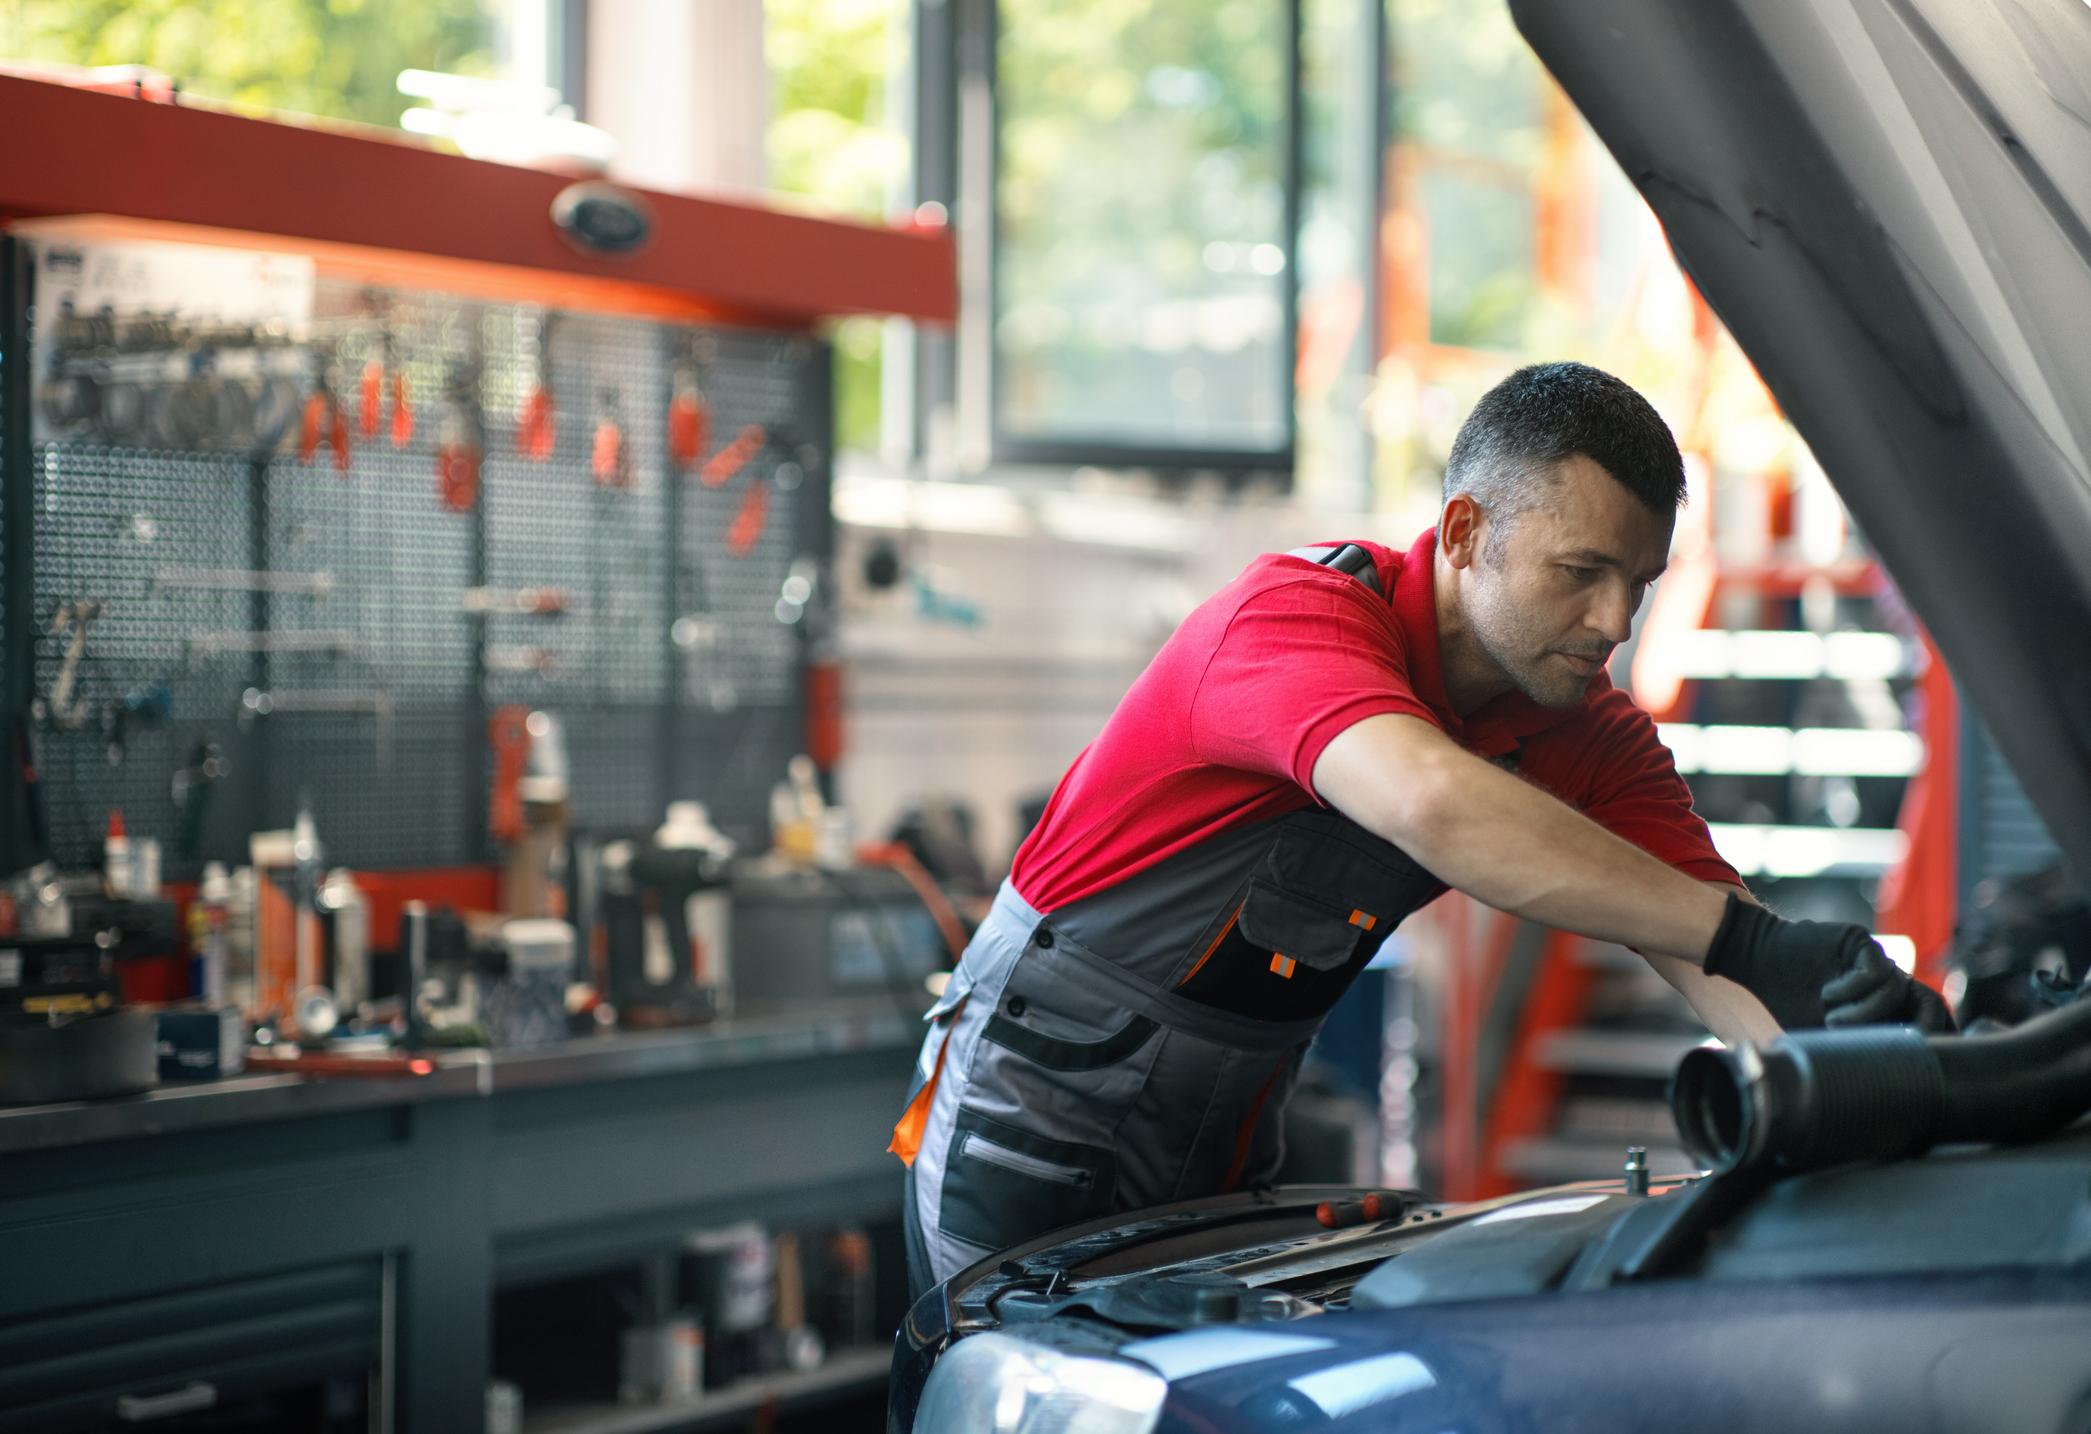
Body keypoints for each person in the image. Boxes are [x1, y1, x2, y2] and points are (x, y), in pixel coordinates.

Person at [889, 361, 1951, 1296]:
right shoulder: (1294, 622)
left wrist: (1885, 1072)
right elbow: (1431, 802)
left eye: (1638, 584)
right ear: (1463, 533)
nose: (1614, 624)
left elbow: (1711, 951)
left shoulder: (1585, 731)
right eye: (1581, 573)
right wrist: (1748, 940)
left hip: (1230, 1118)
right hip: (1035, 1100)